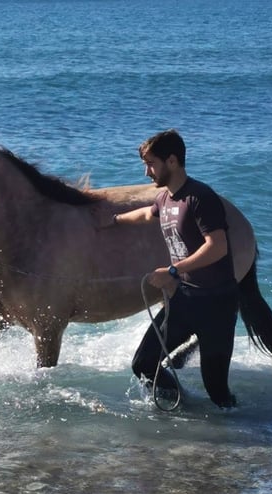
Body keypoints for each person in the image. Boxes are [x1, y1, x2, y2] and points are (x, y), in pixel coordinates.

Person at [109, 129, 239, 409]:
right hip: (185, 300)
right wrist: (114, 220)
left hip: (217, 303)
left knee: (217, 390)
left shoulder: (200, 197)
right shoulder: (165, 199)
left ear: (171, 161)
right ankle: (180, 412)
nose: (147, 173)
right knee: (143, 363)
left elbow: (217, 247)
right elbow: (146, 214)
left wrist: (172, 271)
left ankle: (244, 437)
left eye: (151, 164)